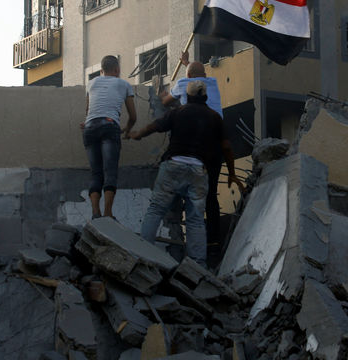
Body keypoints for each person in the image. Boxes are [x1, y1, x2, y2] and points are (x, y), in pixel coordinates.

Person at [130, 80, 242, 266]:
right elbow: (227, 147)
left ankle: (144, 255)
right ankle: (198, 265)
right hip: (199, 170)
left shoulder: (178, 112)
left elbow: (154, 126)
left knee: (156, 209)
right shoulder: (214, 117)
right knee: (196, 220)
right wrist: (231, 173)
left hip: (173, 165)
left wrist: (137, 134)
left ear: (187, 96)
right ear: (205, 96)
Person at [160, 51, 225, 252]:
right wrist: (187, 64)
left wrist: (161, 93)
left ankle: (189, 240)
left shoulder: (182, 85)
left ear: (188, 77)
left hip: (196, 148)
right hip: (217, 145)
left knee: (188, 193)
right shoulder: (212, 82)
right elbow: (197, 75)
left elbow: (166, 101)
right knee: (211, 194)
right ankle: (214, 240)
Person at [81, 55, 137, 220]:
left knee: (96, 173)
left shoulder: (91, 83)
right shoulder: (124, 84)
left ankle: (95, 213)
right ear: (117, 70)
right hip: (109, 126)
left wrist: (88, 123)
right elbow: (133, 116)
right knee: (110, 171)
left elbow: (88, 112)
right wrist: (127, 130)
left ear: (101, 71)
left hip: (90, 128)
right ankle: (108, 213)